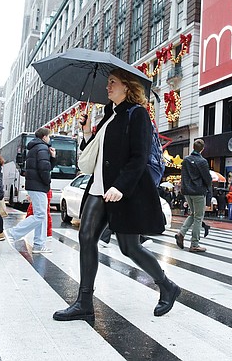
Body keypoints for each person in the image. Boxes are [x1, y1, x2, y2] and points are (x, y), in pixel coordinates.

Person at [53, 68, 180, 323]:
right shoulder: (109, 115)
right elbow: (93, 155)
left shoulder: (138, 114)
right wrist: (87, 131)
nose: (108, 87)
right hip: (98, 188)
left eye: (112, 82)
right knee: (86, 237)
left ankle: (167, 286)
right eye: (108, 82)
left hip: (123, 192)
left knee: (129, 248)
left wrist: (121, 186)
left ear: (127, 86)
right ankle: (84, 302)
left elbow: (138, 157)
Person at [7, 127, 56, 253]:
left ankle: (39, 244)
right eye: (48, 136)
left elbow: (46, 165)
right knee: (40, 215)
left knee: (42, 215)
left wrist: (53, 157)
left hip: (34, 185)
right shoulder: (42, 148)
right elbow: (45, 169)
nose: (49, 138)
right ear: (44, 137)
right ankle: (13, 233)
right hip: (39, 185)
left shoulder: (34, 148)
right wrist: (47, 183)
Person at [174, 139, 212, 253]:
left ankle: (181, 233)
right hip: (198, 192)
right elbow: (207, 178)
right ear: (202, 149)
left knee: (193, 214)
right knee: (198, 217)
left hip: (187, 192)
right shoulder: (202, 162)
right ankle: (194, 244)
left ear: (193, 147)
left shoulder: (186, 160)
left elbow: (184, 176)